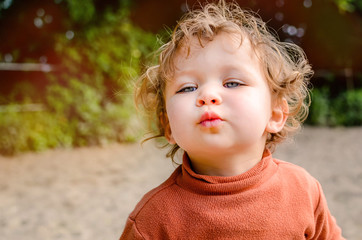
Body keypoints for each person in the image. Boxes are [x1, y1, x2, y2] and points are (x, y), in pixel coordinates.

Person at [120, 1, 344, 239]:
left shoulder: (303, 190)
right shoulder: (152, 220)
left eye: (232, 83)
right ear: (168, 125)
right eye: (187, 88)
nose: (207, 96)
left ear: (276, 113)